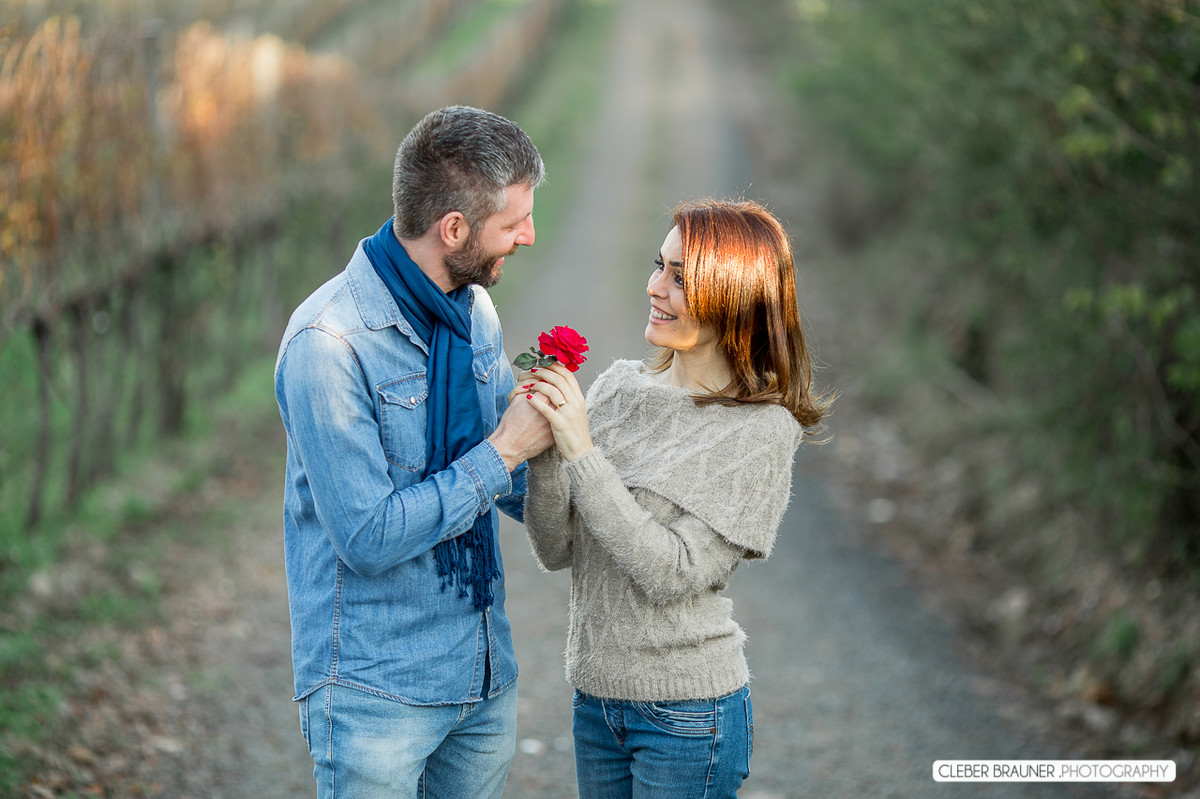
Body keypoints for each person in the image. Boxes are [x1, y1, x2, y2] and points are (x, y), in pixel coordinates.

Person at [273, 105, 554, 799]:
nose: (528, 234)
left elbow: (509, 477)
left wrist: (583, 461)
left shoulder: (471, 311)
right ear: (453, 229)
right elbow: (368, 536)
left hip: (483, 676)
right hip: (378, 692)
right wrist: (503, 450)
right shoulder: (329, 344)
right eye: (513, 221)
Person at [516, 198, 834, 798]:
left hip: (688, 717)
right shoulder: (617, 387)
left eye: (681, 278)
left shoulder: (761, 430)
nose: (655, 287)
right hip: (596, 704)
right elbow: (557, 548)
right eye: (659, 266)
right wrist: (549, 447)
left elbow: (673, 572)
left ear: (734, 298)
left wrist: (582, 451)